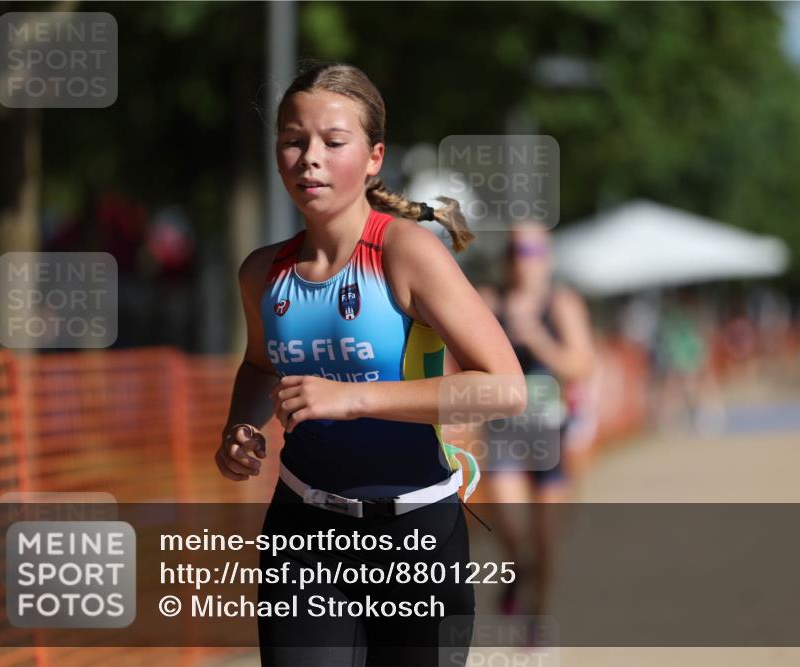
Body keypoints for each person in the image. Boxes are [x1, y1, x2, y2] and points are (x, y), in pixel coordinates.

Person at [214, 61, 525, 667]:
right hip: (303, 533)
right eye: (292, 141)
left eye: (333, 142)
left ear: (375, 157)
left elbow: (505, 389)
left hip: (417, 535)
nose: (310, 158)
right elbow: (259, 366)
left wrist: (352, 397)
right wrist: (237, 430)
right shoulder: (262, 272)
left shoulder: (406, 253)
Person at [477, 220, 596, 619]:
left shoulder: (561, 304)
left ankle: (537, 617)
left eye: (530, 252)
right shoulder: (488, 301)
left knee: (545, 536)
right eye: (514, 251)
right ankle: (516, 568)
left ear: (547, 259)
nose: (522, 261)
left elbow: (581, 366)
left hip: (550, 432)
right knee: (510, 528)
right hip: (504, 430)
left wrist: (538, 339)